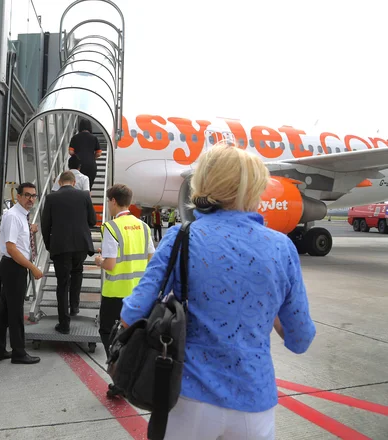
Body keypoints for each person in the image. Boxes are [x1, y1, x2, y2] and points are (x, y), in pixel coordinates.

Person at [120, 143, 317, 440]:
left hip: (188, 397)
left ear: (204, 184)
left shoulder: (180, 237)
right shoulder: (282, 247)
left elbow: (131, 315)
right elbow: (300, 339)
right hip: (254, 401)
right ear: (257, 187)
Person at [94, 184, 154, 396]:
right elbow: (150, 257)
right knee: (132, 336)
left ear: (112, 201)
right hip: (137, 292)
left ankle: (119, 379)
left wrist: (99, 259)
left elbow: (110, 264)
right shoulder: (143, 226)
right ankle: (130, 376)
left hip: (115, 293)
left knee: (108, 334)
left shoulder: (111, 227)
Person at [0, 182, 43, 365]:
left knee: (5, 311)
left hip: (13, 266)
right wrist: (33, 267)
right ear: (19, 196)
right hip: (14, 266)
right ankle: (19, 352)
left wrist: (30, 229)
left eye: (33, 196)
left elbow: (15, 238)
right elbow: (12, 248)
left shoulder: (20, 215)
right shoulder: (14, 216)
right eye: (27, 195)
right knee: (15, 312)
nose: (31, 199)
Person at [42, 171, 97, 333]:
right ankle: (74, 306)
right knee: (77, 272)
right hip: (81, 245)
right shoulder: (84, 196)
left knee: (62, 284)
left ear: (59, 182)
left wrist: (48, 245)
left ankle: (64, 324)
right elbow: (93, 221)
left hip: (60, 246)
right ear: (74, 183)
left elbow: (46, 225)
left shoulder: (51, 198)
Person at [68, 118, 102, 190]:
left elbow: (70, 152)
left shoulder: (75, 137)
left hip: (78, 165)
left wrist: (77, 157)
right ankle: (88, 199)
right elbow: (99, 153)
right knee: (88, 188)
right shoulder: (94, 138)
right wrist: (92, 157)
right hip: (91, 165)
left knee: (76, 187)